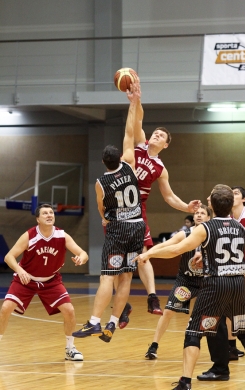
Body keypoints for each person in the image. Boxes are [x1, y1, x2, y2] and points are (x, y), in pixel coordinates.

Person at [135, 184, 245, 390]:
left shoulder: (205, 228)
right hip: (237, 284)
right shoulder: (241, 228)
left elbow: (176, 249)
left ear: (212, 205)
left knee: (194, 332)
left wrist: (149, 254)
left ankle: (185, 383)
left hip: (214, 285)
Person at [118, 78, 201, 328]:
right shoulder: (140, 145)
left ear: (165, 145)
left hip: (137, 208)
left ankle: (152, 297)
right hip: (117, 206)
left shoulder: (160, 167)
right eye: (156, 132)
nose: (157, 134)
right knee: (115, 262)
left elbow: (169, 197)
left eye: (162, 135)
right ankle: (122, 306)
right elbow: (138, 121)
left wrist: (187, 207)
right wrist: (137, 99)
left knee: (144, 254)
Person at [72, 81, 145, 343]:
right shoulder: (130, 165)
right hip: (138, 225)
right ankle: (112, 323)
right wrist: (133, 101)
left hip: (117, 230)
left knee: (107, 277)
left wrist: (105, 217)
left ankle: (94, 322)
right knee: (126, 277)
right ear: (121, 158)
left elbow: (102, 208)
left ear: (104, 162)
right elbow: (129, 132)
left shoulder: (100, 182)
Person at [0, 203, 88, 361]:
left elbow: (82, 252)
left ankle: (70, 348)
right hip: (26, 279)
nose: (49, 215)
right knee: (6, 308)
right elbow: (9, 257)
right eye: (45, 213)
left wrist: (81, 258)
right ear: (38, 219)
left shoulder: (62, 235)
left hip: (50, 281)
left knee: (69, 310)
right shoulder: (30, 235)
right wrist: (20, 270)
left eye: (51, 213)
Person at [198, 185, 245, 381]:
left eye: (237, 192)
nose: (233, 195)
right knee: (235, 318)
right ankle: (231, 350)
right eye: (232, 193)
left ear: (243, 199)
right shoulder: (227, 222)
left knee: (228, 318)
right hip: (241, 274)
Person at [145, 205, 211, 360]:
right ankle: (154, 345)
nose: (199, 215)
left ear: (209, 217)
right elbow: (168, 244)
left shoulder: (211, 233)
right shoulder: (186, 233)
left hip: (206, 281)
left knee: (211, 316)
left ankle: (226, 347)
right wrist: (149, 253)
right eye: (196, 213)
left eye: (203, 213)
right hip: (186, 280)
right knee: (168, 311)